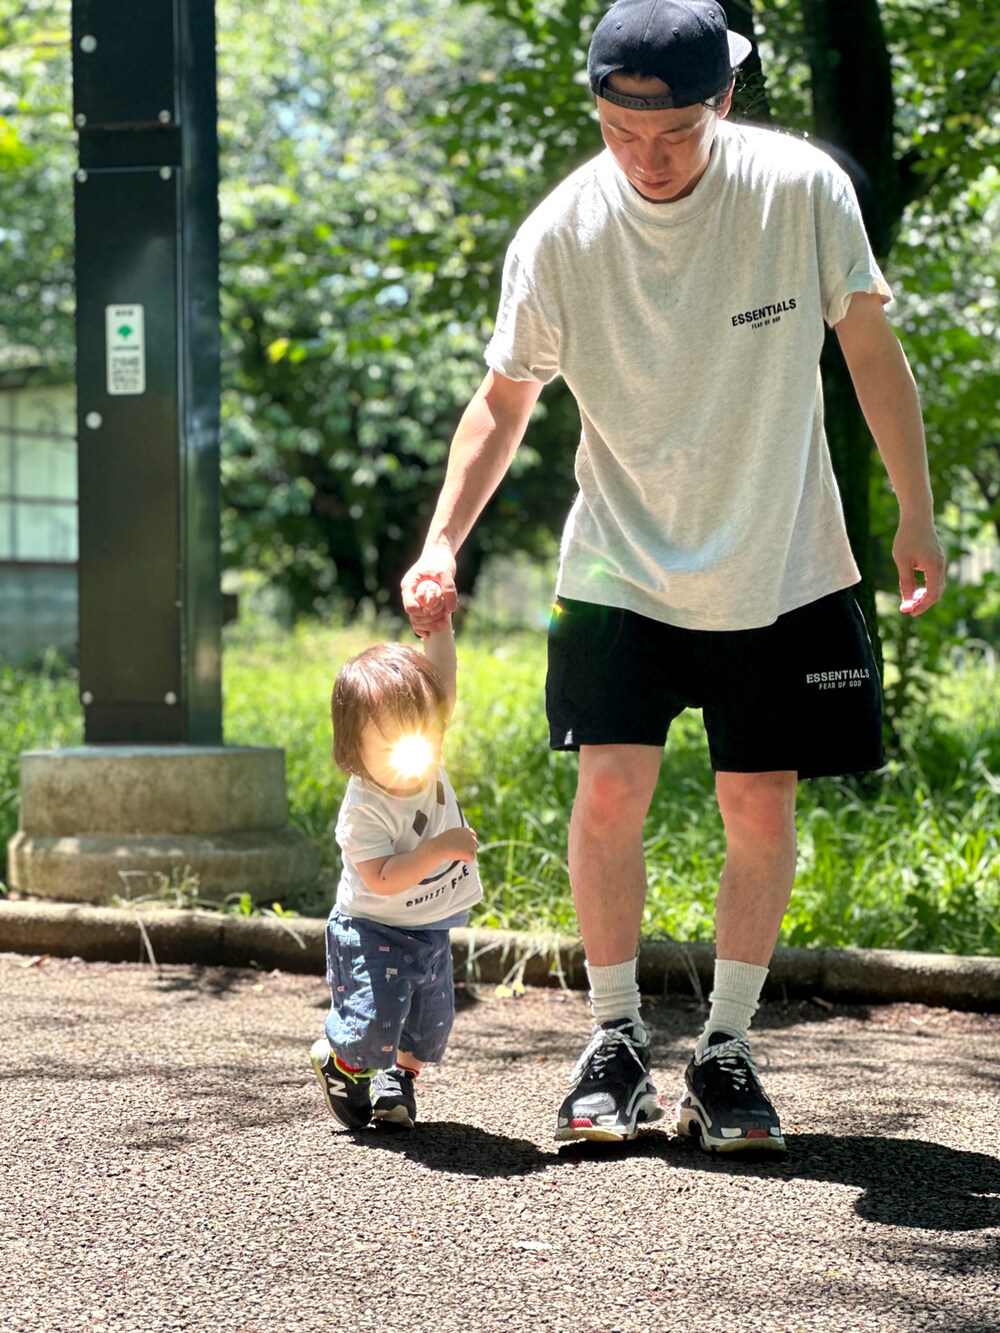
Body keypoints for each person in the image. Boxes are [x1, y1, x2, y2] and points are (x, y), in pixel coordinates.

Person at [401, 0, 946, 1153]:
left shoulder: (800, 193)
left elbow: (866, 348)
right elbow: (504, 401)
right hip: (619, 558)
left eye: (676, 135)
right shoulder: (559, 233)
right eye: (619, 132)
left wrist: (914, 508)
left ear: (725, 101)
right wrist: (443, 538)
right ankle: (611, 1043)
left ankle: (728, 1050)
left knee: (758, 802)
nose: (647, 161)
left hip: (779, 553)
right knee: (609, 790)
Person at [310, 583, 481, 1130]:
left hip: (431, 925)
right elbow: (381, 879)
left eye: (420, 734)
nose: (411, 754)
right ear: (353, 750)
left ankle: (398, 1077)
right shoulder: (364, 809)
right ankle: (342, 1061)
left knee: (430, 1028)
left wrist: (438, 630)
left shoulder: (425, 755)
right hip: (371, 926)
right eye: (388, 747)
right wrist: (438, 850)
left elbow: (442, 685)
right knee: (374, 1022)